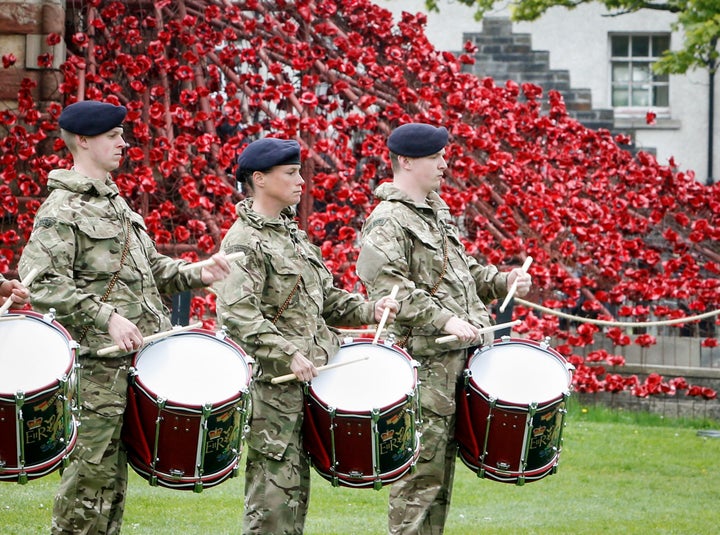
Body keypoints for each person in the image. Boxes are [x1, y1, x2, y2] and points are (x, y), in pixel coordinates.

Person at [18, 100, 231, 535]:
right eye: (113, 136)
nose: (123, 143)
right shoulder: (61, 209)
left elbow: (152, 271)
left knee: (112, 488)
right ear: (82, 140)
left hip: (131, 367)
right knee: (87, 485)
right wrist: (106, 316)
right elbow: (40, 284)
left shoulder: (117, 204)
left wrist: (198, 273)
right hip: (96, 369)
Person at [213, 137, 400, 534]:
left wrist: (371, 309)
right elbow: (237, 314)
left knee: (296, 492)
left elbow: (324, 299)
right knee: (273, 496)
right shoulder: (244, 241)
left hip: (309, 378)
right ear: (259, 180)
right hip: (275, 385)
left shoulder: (290, 234)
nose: (301, 181)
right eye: (291, 173)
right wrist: (286, 353)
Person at [356, 122, 532, 534]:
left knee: (440, 480)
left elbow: (461, 274)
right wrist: (445, 319)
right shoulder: (387, 221)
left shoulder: (435, 212)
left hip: (455, 359)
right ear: (406, 161)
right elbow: (388, 287)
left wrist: (502, 280)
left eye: (442, 155)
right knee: (419, 478)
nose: (443, 163)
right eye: (435, 157)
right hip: (423, 364)